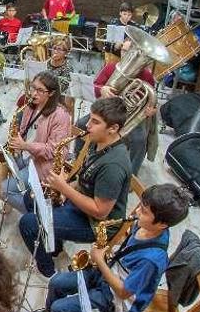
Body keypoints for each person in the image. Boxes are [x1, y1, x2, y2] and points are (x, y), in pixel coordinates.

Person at [24, 184, 192, 312]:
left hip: (119, 301)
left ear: (162, 224)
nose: (136, 212)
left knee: (59, 309)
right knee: (56, 283)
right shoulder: (143, 225)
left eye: (144, 212)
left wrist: (99, 261)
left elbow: (123, 291)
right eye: (140, 206)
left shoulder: (152, 260)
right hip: (109, 275)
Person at [19, 97, 132, 278]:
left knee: (28, 224)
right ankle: (54, 247)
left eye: (95, 122)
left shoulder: (113, 166)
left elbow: (100, 211)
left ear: (113, 128)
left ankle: (48, 271)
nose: (87, 125)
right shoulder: (99, 143)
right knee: (29, 197)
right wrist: (67, 187)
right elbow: (86, 179)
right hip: (81, 206)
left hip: (96, 224)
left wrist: (64, 189)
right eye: (90, 118)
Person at [0, 71, 72, 212]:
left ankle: (34, 214)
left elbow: (53, 151)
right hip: (26, 156)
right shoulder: (30, 106)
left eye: (40, 90)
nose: (33, 94)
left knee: (2, 190)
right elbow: (23, 131)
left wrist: (25, 145)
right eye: (33, 88)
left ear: (51, 93)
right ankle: (25, 196)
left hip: (41, 165)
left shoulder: (60, 116)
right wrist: (16, 143)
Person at [74, 60, 158, 175]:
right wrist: (102, 89)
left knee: (140, 139)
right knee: (81, 124)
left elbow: (153, 101)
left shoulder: (147, 75)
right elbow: (95, 85)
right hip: (107, 112)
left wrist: (151, 110)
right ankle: (78, 160)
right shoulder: (111, 67)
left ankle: (131, 174)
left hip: (131, 115)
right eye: (125, 50)